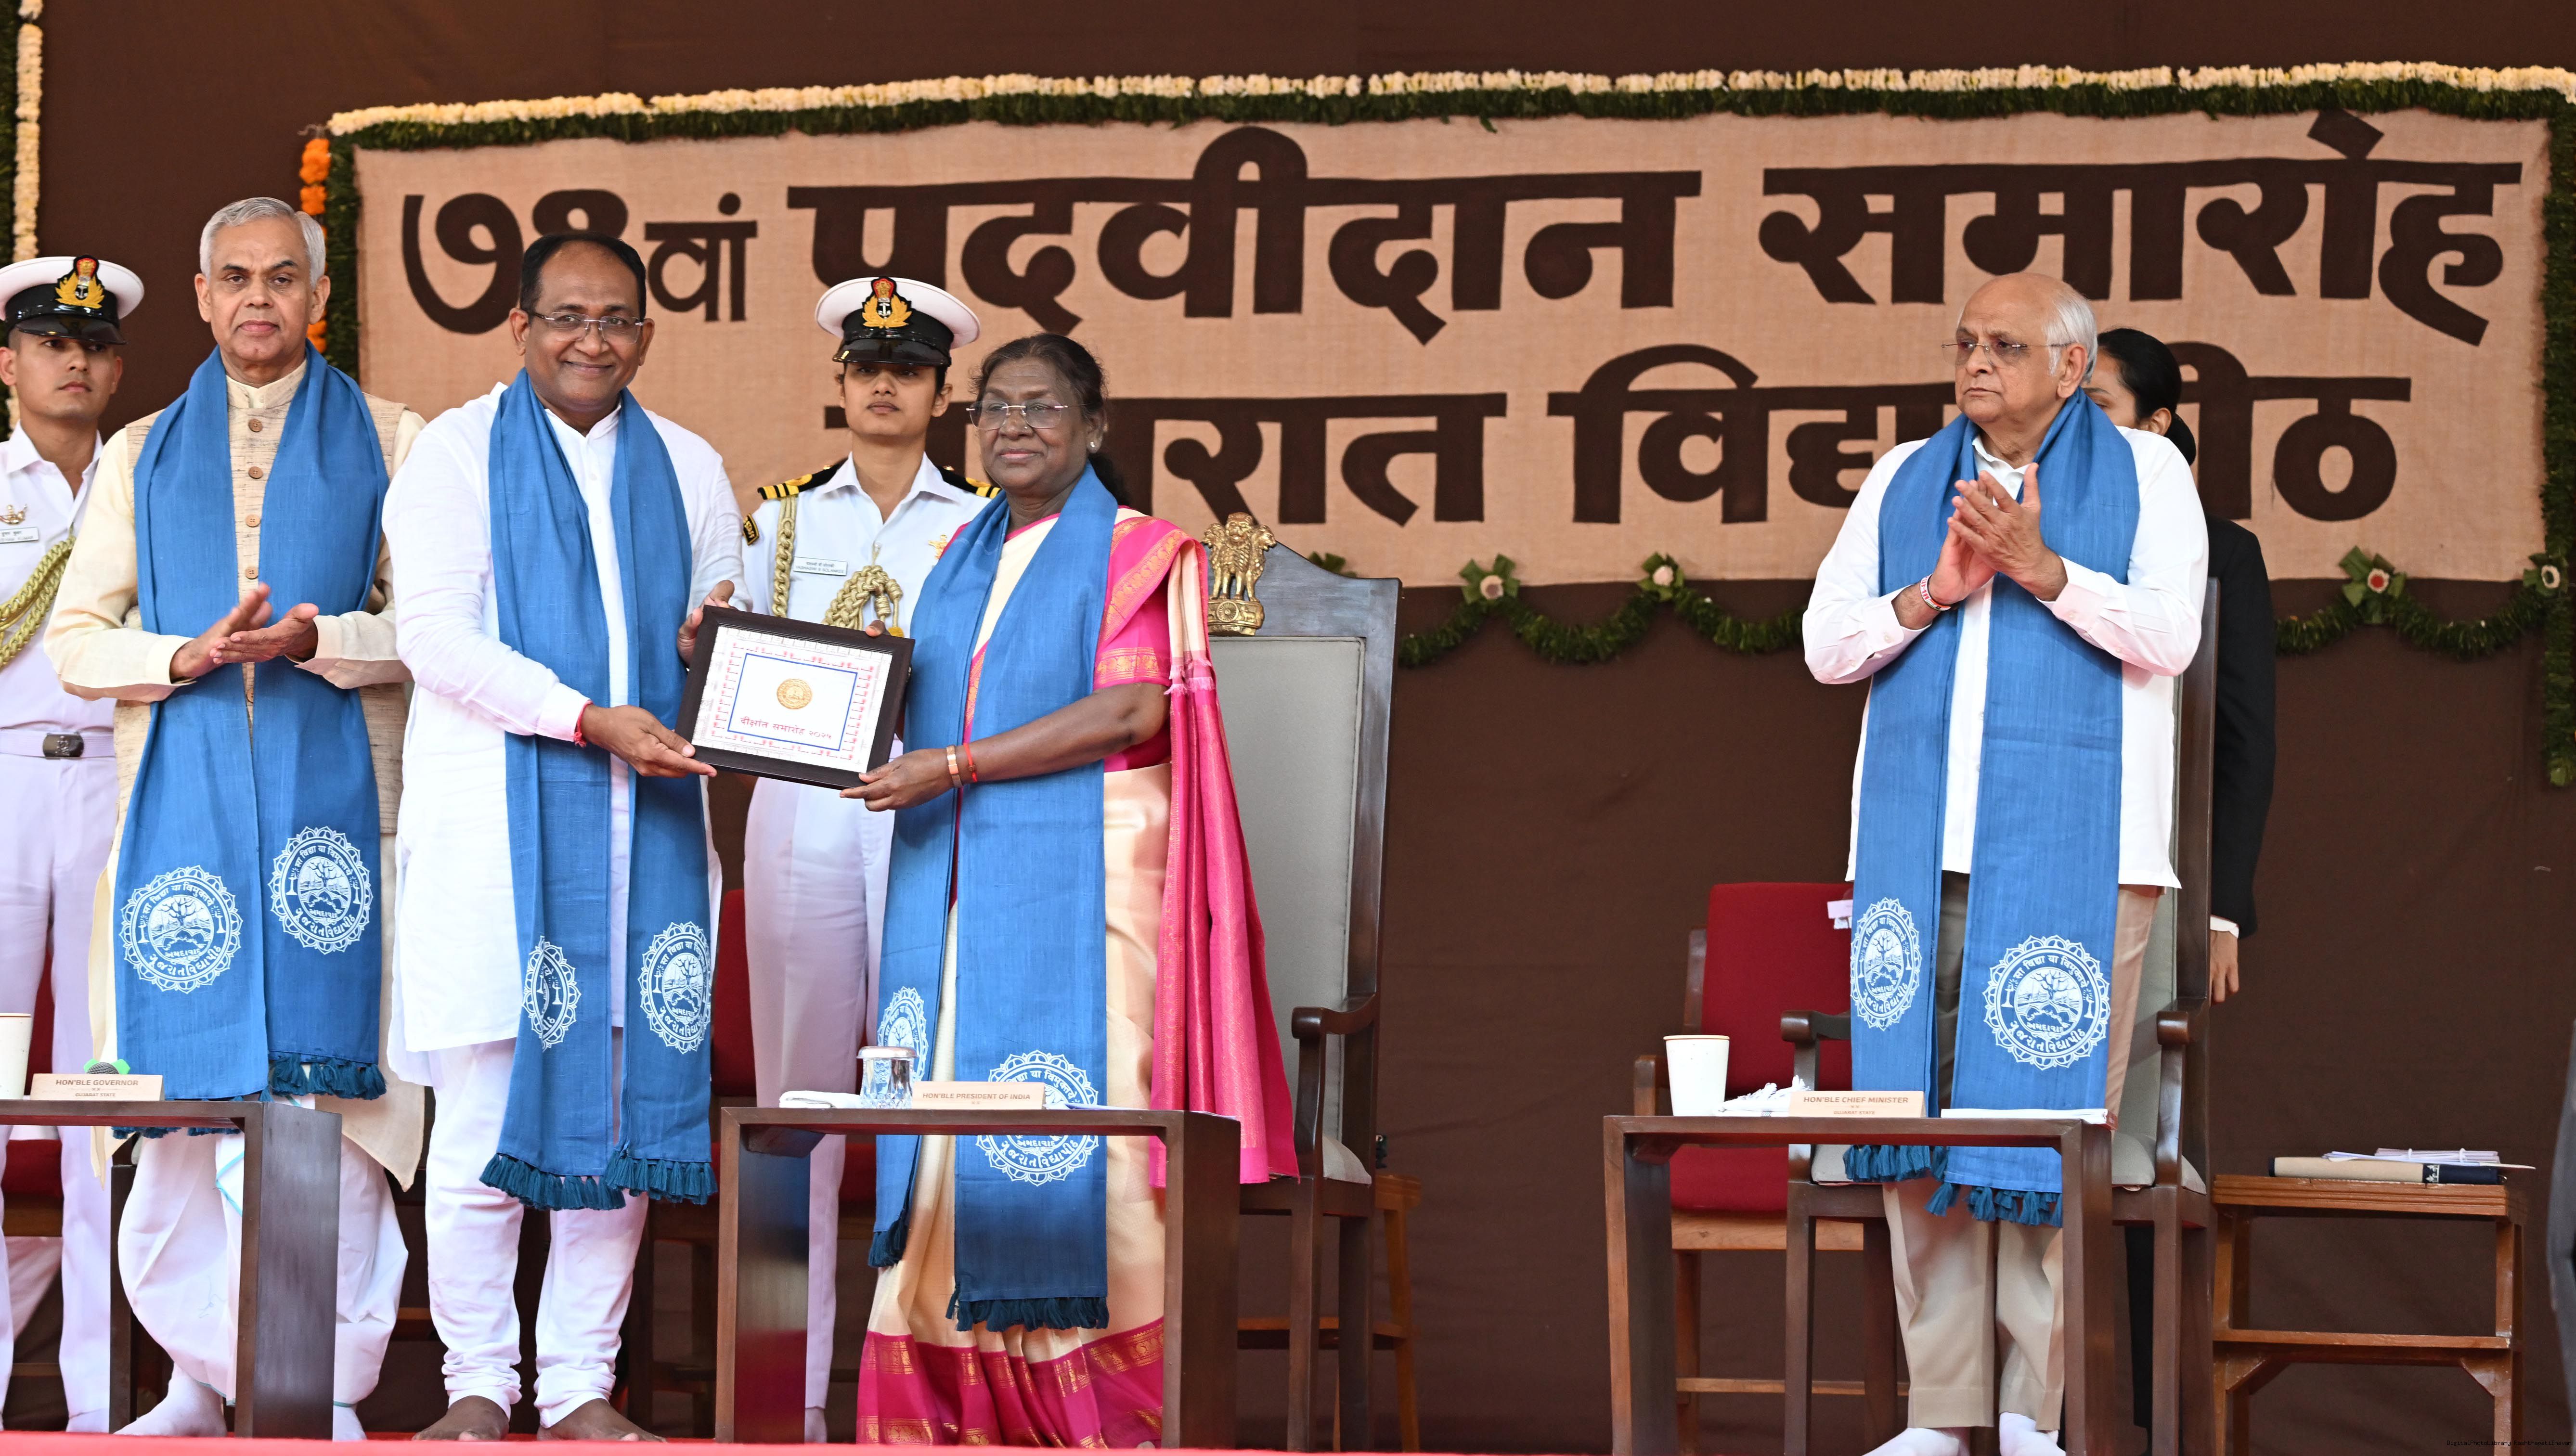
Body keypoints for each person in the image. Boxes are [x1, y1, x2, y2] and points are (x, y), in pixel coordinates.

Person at [848, 333, 1296, 1445]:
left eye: (1042, 406)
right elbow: (919, 708)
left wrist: (955, 766)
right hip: (957, 870)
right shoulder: (955, 559)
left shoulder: (1142, 553)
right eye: (994, 406)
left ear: (1095, 424)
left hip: (1094, 872)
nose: (1014, 425)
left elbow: (1129, 713)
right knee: (946, 1120)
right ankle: (954, 1409)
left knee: (1092, 1126)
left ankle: (1103, 1416)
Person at [1804, 274, 2207, 1456]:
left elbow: (2172, 634)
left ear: (2073, 367)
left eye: (2007, 347)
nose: (1977, 364)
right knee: (1914, 1121)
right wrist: (1933, 592)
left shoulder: (2149, 474)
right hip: (1916, 857)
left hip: (2084, 860)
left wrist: (2044, 567)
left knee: (2047, 1127)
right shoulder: (1903, 477)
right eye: (1967, 344)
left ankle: (2034, 1411)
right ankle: (1942, 1412)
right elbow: (1826, 644)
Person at [43, 200, 426, 1439]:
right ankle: (196, 1382)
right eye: (235, 279)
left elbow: (434, 626)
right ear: (203, 298)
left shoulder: (396, 438)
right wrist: (184, 653)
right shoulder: (139, 453)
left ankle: (325, 1383)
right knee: (181, 1112)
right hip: (180, 820)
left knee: (332, 1124)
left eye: (281, 277)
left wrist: (323, 638)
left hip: (347, 820)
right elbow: (76, 642)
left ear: (319, 295)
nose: (258, 299)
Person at [383, 231, 739, 1442]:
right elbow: (436, 638)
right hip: (496, 841)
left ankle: (582, 1384)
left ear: (647, 332)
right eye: (568, 317)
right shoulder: (454, 452)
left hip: (649, 836)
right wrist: (586, 717)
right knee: (482, 1125)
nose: (594, 340)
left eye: (618, 319)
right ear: (520, 327)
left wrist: (712, 641)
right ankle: (477, 1384)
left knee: (624, 1125)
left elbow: (721, 616)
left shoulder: (688, 463)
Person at [735, 275, 994, 1441]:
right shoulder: (780, 522)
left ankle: (927, 1385)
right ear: (840, 382)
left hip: (932, 813)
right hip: (803, 810)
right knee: (797, 1104)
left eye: (911, 368)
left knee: (932, 1094)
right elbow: (732, 668)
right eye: (868, 366)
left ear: (943, 392)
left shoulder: (983, 521)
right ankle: (786, 1398)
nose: (886, 383)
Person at [2085, 325, 2275, 1447]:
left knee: (2147, 1157)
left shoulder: (2220, 551)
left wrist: (2223, 904)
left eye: (2104, 407)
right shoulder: (2037, 533)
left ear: (2158, 426)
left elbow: (2240, 740)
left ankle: (2159, 1423)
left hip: (2162, 885)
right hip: (2046, 870)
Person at [0, 253, 139, 1430]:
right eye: (52, 342)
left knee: (102, 1093)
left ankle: (98, 1397)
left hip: (112, 780)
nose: (75, 362)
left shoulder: (145, 480)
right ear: (8, 362)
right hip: (1, 785)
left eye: (93, 345)